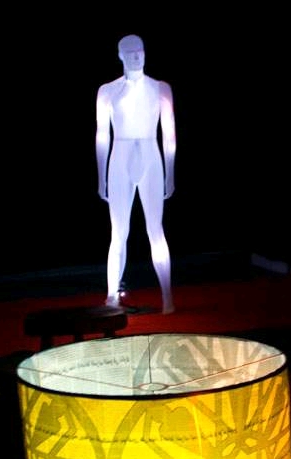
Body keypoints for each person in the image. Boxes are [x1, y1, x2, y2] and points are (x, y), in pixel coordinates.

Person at [96, 34, 176, 314]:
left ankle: (167, 297)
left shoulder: (160, 89)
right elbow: (102, 134)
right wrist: (101, 175)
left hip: (150, 155)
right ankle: (111, 296)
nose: (136, 56)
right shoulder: (108, 91)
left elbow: (169, 134)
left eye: (139, 50)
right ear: (120, 55)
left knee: (156, 229)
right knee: (118, 232)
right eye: (129, 52)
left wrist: (169, 173)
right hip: (120, 157)